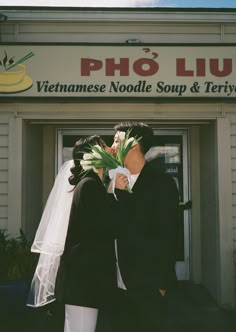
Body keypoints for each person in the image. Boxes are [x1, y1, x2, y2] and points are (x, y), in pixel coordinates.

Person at [28, 135, 117, 332]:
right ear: (94, 154)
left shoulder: (87, 183)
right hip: (85, 281)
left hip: (81, 280)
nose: (111, 148)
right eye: (105, 146)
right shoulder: (90, 186)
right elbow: (103, 229)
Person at [110, 121, 180, 332]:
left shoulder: (162, 183)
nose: (111, 146)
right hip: (117, 286)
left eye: (115, 140)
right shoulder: (114, 181)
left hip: (148, 285)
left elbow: (169, 233)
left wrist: (162, 284)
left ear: (132, 144)